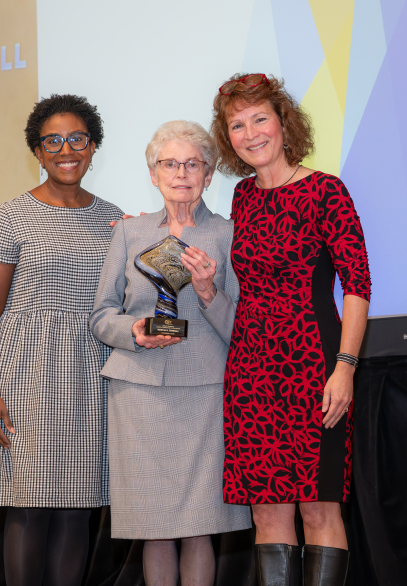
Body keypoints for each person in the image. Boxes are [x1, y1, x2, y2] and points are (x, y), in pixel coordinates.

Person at [210, 74, 372, 586]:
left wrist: (344, 369)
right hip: (252, 369)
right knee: (267, 515)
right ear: (228, 138)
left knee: (319, 511)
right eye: (238, 124)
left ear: (284, 124)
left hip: (314, 362)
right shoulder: (241, 198)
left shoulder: (325, 189)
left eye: (260, 118)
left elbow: (358, 284)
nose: (251, 132)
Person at [0, 94, 122, 586]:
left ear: (93, 146)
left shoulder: (114, 219)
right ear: (37, 151)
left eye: (77, 138)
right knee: (29, 506)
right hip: (25, 378)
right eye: (52, 141)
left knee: (78, 511)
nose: (66, 149)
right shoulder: (10, 216)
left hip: (90, 376)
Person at [90, 120, 251, 586]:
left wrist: (206, 292)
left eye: (193, 164)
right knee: (154, 529)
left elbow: (241, 327)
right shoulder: (129, 232)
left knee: (200, 528)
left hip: (205, 393)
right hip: (137, 393)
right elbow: (100, 316)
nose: (181, 173)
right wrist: (134, 331)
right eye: (169, 163)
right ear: (152, 172)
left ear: (208, 173)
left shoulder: (229, 234)